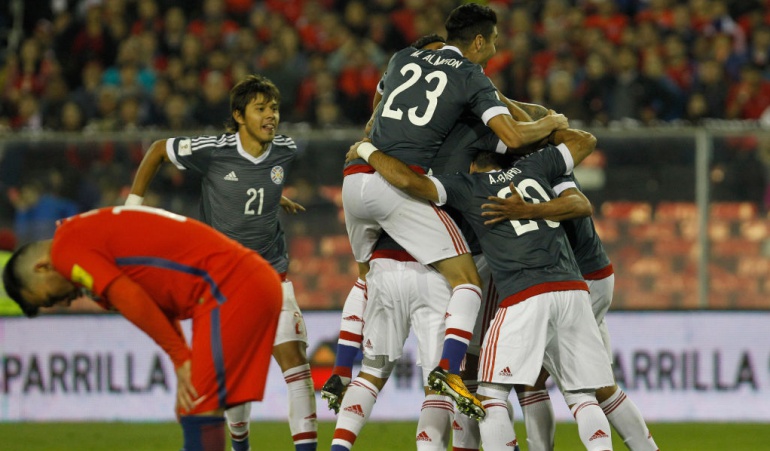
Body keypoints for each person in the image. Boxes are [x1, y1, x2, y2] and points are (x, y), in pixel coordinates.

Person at [339, 3, 568, 420]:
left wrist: (371, 149)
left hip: (358, 178)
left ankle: (340, 367)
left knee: (364, 287)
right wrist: (550, 122)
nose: (495, 50)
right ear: (478, 41)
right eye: (494, 41)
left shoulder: (401, 57)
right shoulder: (469, 78)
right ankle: (449, 369)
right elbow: (515, 136)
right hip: (404, 190)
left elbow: (373, 120)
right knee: (465, 287)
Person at [347, 126, 618, 451]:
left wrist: (366, 150)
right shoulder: (536, 167)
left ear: (473, 163)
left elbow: (409, 182)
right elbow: (585, 141)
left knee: (489, 392)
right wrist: (543, 128)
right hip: (574, 289)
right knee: (581, 395)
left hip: (525, 293)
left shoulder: (469, 185)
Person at [125, 74, 317, 451]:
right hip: (223, 284)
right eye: (260, 109)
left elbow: (259, 180)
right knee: (234, 380)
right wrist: (134, 204)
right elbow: (160, 149)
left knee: (297, 366)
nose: (271, 116)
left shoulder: (286, 149)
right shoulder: (213, 150)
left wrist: (275, 197)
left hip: (271, 276)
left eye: (274, 108)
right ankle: (240, 444)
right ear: (239, 115)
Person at [1, 206, 282, 451]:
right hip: (235, 284)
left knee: (198, 406)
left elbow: (130, 297)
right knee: (193, 409)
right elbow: (150, 299)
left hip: (228, 286)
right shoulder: (82, 236)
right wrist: (181, 358)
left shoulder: (65, 250)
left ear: (42, 268)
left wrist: (179, 356)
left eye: (51, 298)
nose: (63, 303)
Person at [481, 174, 661, 451]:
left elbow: (580, 205)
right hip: (583, 277)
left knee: (581, 388)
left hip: (573, 278)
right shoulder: (546, 162)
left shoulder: (538, 166)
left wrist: (526, 210)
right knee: (567, 382)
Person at [331, 232, 457, 451]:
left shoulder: (370, 199)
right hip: (433, 267)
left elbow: (361, 283)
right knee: (438, 385)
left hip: (384, 267)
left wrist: (342, 366)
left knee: (371, 372)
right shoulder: (442, 197)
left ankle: (339, 447)